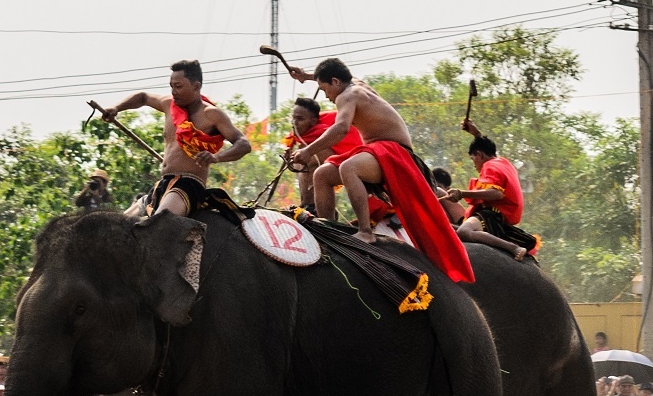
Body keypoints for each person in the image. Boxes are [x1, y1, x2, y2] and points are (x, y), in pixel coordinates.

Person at [283, 57, 476, 281]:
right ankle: (330, 232)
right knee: (322, 174)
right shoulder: (354, 83)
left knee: (349, 168)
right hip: (377, 149)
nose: (326, 95)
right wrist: (307, 76)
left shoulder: (347, 95)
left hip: (394, 152)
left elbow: (341, 129)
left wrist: (307, 152)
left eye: (324, 88)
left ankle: (366, 232)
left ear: (335, 82)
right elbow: (340, 77)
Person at [102, 59, 255, 219]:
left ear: (196, 86)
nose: (173, 91)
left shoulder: (211, 114)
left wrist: (216, 157)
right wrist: (116, 108)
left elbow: (243, 144)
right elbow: (143, 97)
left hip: (188, 185)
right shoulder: (169, 104)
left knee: (160, 223)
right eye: (172, 86)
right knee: (119, 225)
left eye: (179, 86)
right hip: (162, 184)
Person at [446, 127, 540, 259]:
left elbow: (496, 194)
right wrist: (476, 134)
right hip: (496, 215)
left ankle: (512, 247)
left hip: (491, 214)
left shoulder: (490, 166)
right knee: (446, 227)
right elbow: (485, 147)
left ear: (479, 155)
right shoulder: (502, 162)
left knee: (464, 232)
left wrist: (462, 193)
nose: (474, 165)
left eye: (473, 159)